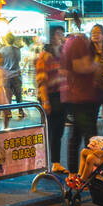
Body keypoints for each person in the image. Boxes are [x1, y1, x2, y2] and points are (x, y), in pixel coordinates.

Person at [59, 20, 100, 175]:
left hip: (80, 96)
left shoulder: (73, 42)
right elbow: (78, 66)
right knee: (90, 136)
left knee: (76, 135)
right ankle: (89, 172)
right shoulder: (77, 42)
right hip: (81, 96)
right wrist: (95, 66)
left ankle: (75, 172)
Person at [35, 25, 66, 172]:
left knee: (58, 131)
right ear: (52, 37)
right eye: (59, 34)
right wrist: (45, 101)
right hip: (51, 97)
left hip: (62, 96)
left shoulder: (60, 54)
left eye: (62, 34)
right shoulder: (45, 56)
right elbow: (41, 80)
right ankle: (46, 163)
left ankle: (56, 163)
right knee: (51, 131)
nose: (62, 37)